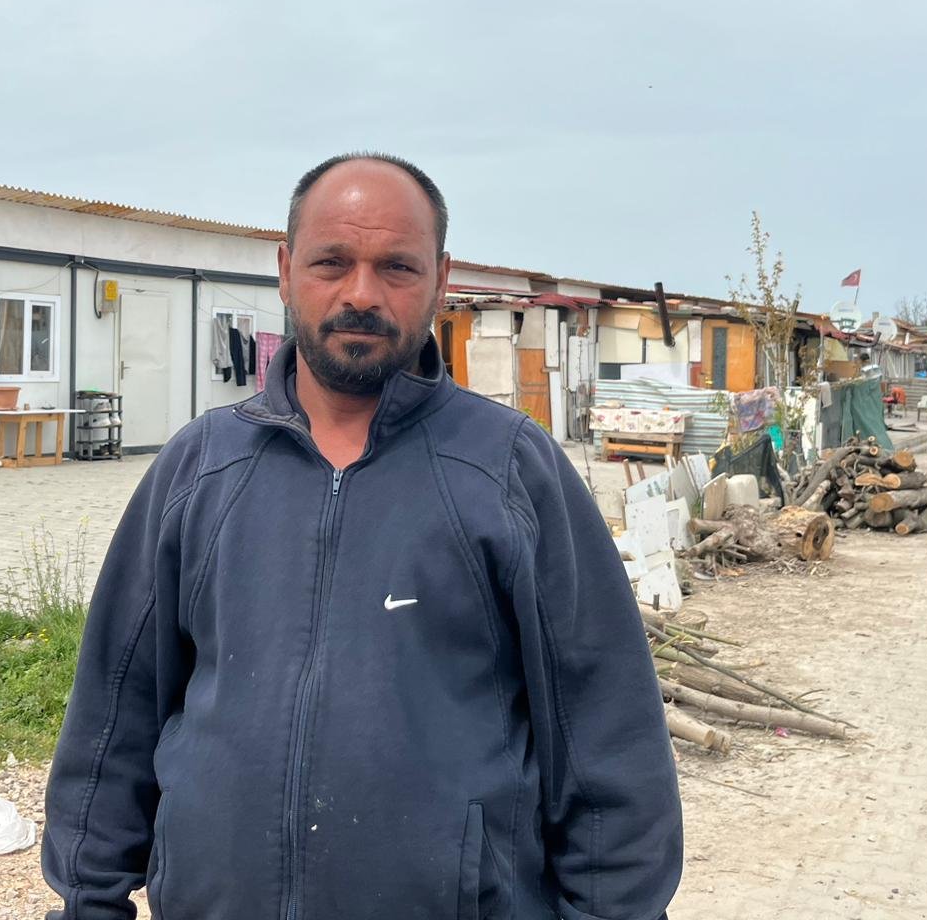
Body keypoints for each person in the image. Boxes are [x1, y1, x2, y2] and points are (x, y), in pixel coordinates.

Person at [42, 153, 682, 920]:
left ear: (441, 280)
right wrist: (89, 898)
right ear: (286, 270)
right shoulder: (202, 467)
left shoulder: (509, 471)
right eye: (332, 262)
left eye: (397, 267)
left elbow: (605, 733)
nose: (361, 294)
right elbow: (112, 714)